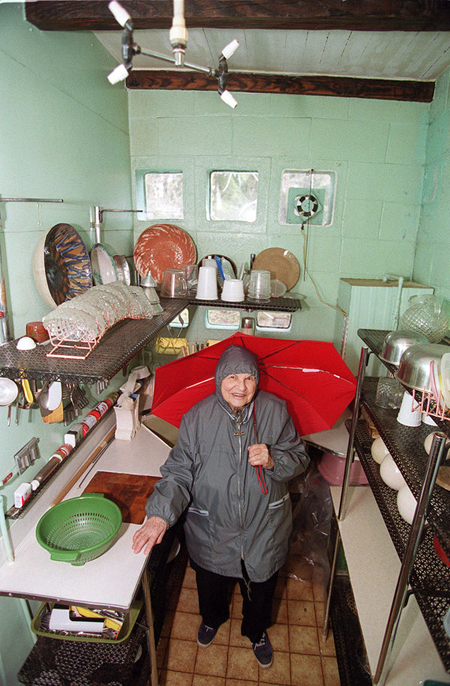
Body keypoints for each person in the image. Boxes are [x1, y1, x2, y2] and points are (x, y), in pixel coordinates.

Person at [132, 344, 310, 668]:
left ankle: (256, 631)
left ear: (257, 380)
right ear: (218, 379)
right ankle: (212, 618)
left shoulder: (275, 410)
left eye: (247, 378)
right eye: (231, 377)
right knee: (210, 586)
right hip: (212, 529)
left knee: (261, 590)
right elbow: (178, 472)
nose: (240, 386)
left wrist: (274, 459)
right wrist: (159, 516)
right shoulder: (197, 418)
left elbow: (299, 457)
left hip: (263, 530)